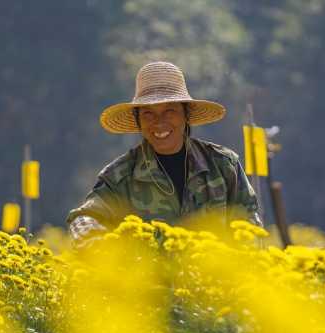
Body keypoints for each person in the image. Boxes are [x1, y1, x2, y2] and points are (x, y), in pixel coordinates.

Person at [67, 61, 261, 246]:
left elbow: (249, 221)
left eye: (170, 111)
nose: (159, 122)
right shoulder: (120, 176)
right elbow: (84, 218)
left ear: (186, 115)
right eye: (148, 114)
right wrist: (101, 249)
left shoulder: (223, 165)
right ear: (138, 122)